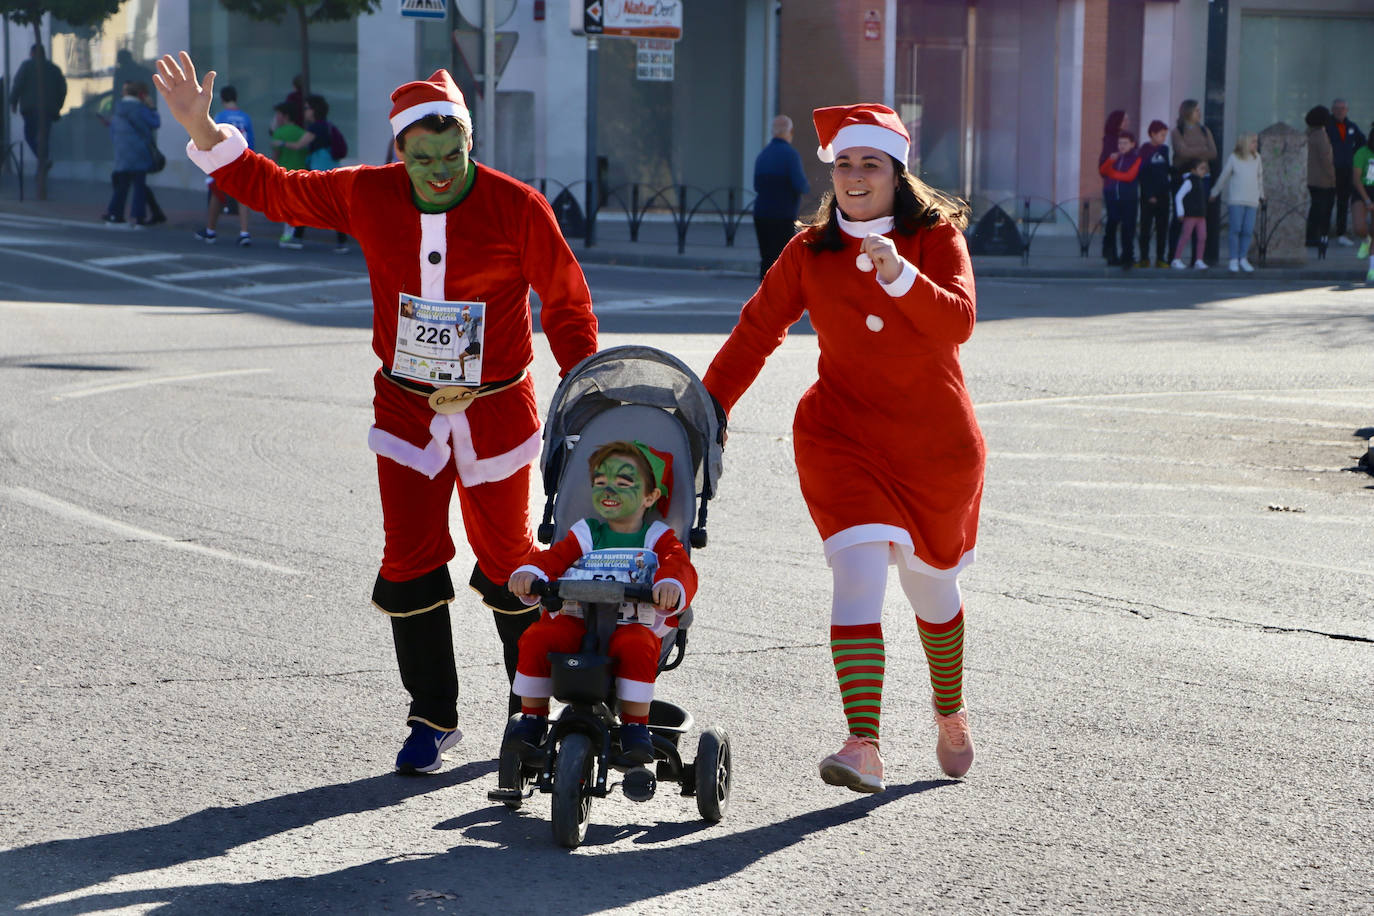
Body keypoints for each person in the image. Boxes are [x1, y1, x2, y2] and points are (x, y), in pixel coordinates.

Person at [154, 51, 598, 774]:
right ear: (399, 151)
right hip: (406, 412)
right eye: (423, 158)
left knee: (511, 561)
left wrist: (585, 385)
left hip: (495, 413)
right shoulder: (368, 194)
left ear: (470, 142)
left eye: (451, 154)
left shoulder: (517, 206)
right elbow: (277, 189)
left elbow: (568, 303)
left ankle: (531, 710)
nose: (440, 171)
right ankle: (433, 719)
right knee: (410, 559)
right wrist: (204, 130)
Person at [704, 104, 984, 793]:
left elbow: (961, 321)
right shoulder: (809, 251)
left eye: (871, 164)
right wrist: (704, 410)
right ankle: (864, 743)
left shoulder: (935, 238)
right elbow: (756, 331)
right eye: (846, 163)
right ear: (831, 169)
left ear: (897, 173)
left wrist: (897, 276)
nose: (856, 176)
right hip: (842, 437)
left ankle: (949, 712)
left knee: (932, 590)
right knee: (856, 575)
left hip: (933, 448)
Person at [505, 440, 697, 763]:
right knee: (537, 637)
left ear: (650, 497)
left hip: (633, 623)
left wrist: (670, 585)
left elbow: (679, 565)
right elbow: (555, 558)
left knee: (638, 645)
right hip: (578, 621)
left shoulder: (657, 537)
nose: (609, 489)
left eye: (623, 483)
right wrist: (530, 573)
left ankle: (636, 726)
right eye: (601, 482)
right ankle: (533, 719)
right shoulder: (587, 533)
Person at [276, 94, 350, 253]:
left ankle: (297, 238)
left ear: (314, 110)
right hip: (332, 170)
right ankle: (342, 242)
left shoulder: (316, 127)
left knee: (305, 203)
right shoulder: (328, 126)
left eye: (307, 108)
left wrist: (280, 142)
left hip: (319, 172)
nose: (305, 111)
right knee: (332, 206)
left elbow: (298, 145)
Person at [195, 85, 256, 246]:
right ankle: (244, 232)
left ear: (222, 99)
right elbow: (251, 141)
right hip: (243, 159)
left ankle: (210, 230)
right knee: (243, 197)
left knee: (217, 194)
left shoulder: (221, 116)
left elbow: (214, 137)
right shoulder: (246, 117)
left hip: (224, 161)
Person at [753, 114, 810, 279]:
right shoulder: (790, 155)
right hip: (783, 215)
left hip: (761, 214)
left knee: (766, 258)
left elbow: (756, 185)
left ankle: (763, 294)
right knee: (781, 260)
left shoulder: (762, 155)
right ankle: (778, 298)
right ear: (790, 132)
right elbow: (801, 185)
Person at [103, 81, 161, 226]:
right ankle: (138, 217)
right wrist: (152, 107)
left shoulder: (118, 109)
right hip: (139, 152)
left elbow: (112, 132)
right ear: (140, 95)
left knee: (122, 185)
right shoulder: (141, 109)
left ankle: (115, 213)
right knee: (139, 186)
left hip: (122, 153)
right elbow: (155, 123)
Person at [1170, 100, 1216, 266]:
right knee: (1181, 221)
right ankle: (1175, 257)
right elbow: (1181, 151)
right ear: (1188, 112)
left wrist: (1193, 151)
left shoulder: (1205, 130)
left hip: (1204, 178)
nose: (1199, 113)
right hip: (1184, 176)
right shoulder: (1177, 131)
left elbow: (1213, 152)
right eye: (1196, 110)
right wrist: (1201, 151)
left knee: (1200, 218)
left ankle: (1198, 258)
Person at [1209, 132, 1263, 273]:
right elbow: (1224, 176)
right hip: (1236, 200)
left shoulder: (1257, 158)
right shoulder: (1234, 158)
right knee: (1235, 229)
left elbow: (1260, 178)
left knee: (1248, 230)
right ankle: (1233, 259)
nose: (1256, 144)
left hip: (1252, 200)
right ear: (1245, 143)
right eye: (1253, 142)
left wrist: (1261, 195)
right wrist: (1215, 191)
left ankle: (1243, 258)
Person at [7, 44, 65, 168]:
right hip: (48, 110)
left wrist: (13, 102)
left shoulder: (27, 66)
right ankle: (42, 167)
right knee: (43, 137)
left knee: (30, 135)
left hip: (31, 109)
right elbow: (62, 89)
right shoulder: (54, 69)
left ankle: (43, 163)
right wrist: (58, 106)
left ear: (32, 53)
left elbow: (18, 84)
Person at [267, 102, 308, 248]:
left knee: (287, 206)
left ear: (285, 116)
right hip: (302, 172)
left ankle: (288, 235)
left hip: (284, 173)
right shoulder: (301, 132)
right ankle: (296, 235)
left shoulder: (279, 133)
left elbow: (275, 156)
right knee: (299, 204)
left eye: (278, 114)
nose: (276, 118)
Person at [1099, 130, 1142, 271]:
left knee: (1127, 228)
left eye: (1125, 143)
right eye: (1120, 143)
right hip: (1113, 196)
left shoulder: (1136, 158)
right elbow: (1104, 170)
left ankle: (1127, 257)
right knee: (1111, 224)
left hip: (1128, 197)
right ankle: (1111, 255)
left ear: (1132, 144)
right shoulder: (1116, 157)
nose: (1122, 146)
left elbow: (1129, 176)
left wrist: (1113, 173)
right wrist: (1111, 161)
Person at [1326, 99, 1367, 247]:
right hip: (1330, 170)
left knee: (1343, 202)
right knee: (1327, 201)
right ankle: (1323, 233)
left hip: (1347, 170)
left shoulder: (1351, 126)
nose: (1340, 111)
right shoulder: (1327, 126)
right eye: (1337, 108)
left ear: (1347, 110)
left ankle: (1341, 233)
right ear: (1332, 110)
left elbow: (1363, 141)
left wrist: (1353, 155)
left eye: (1343, 108)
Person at [1137, 120, 1172, 268]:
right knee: (1145, 227)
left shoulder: (1164, 150)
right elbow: (1143, 174)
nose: (1163, 138)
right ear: (1152, 134)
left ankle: (1160, 257)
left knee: (1162, 228)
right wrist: (1149, 193)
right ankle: (1144, 257)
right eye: (1161, 135)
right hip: (1148, 196)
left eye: (1165, 135)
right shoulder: (1144, 150)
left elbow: (1166, 169)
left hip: (1163, 194)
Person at [1098, 110, 1130, 264]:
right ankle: (1110, 250)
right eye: (1124, 120)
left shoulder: (1125, 138)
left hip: (1123, 185)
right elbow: (1103, 166)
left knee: (1119, 219)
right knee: (1114, 218)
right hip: (1112, 185)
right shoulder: (1111, 140)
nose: (1127, 122)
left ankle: (1115, 251)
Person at [1306, 105, 1336, 249]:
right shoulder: (1321, 135)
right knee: (1321, 210)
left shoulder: (1309, 133)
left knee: (1315, 208)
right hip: (1323, 180)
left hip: (1311, 178)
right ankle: (1314, 237)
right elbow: (1326, 159)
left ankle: (1312, 236)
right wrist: (1333, 177)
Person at [1172, 158, 1209, 270]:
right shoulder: (1189, 181)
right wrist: (1180, 212)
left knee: (1202, 237)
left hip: (1200, 215)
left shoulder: (1200, 181)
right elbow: (1179, 196)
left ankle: (1199, 260)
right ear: (1193, 170)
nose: (1204, 171)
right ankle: (1176, 259)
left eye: (1205, 169)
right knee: (1185, 236)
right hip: (1190, 215)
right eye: (1201, 169)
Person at [1351, 126, 1374, 281]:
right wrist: (1367, 200)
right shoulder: (1362, 152)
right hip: (1363, 189)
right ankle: (1366, 239)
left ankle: (1372, 270)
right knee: (1360, 227)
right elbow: (1356, 179)